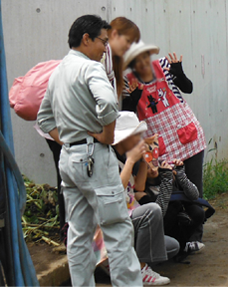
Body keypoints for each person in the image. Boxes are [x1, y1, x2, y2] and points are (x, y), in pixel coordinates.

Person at [37, 15, 142, 286]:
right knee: (117, 230)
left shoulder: (58, 71)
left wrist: (70, 141)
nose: (105, 49)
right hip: (94, 159)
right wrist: (106, 135)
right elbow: (108, 104)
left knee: (79, 234)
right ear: (86, 39)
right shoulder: (90, 69)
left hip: (70, 160)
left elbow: (44, 119)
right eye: (102, 42)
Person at [123, 41, 207, 244]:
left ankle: (195, 236)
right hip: (158, 143)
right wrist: (133, 99)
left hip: (188, 135)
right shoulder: (128, 82)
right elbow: (126, 113)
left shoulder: (164, 66)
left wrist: (179, 73)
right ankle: (177, 236)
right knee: (169, 190)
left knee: (193, 187)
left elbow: (188, 88)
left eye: (144, 57)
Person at [112, 111, 179, 286]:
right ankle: (139, 269)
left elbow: (138, 188)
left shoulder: (126, 157)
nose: (139, 140)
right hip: (113, 220)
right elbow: (115, 193)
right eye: (135, 135)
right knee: (152, 210)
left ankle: (126, 262)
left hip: (128, 218)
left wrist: (142, 162)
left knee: (172, 246)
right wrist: (130, 162)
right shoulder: (109, 159)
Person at [103, 17, 141, 100]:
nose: (129, 47)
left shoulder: (117, 62)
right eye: (128, 41)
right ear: (115, 34)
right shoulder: (100, 58)